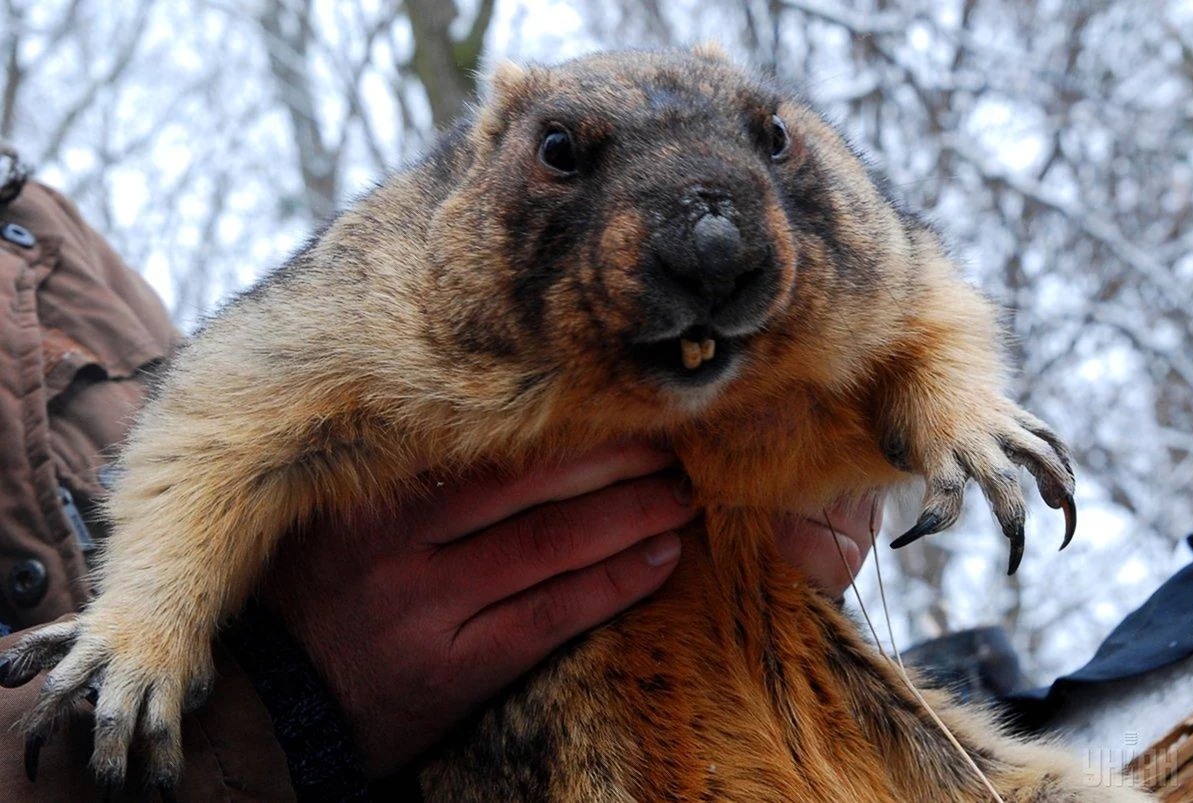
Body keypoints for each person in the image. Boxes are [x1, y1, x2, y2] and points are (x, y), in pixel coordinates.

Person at [0, 148, 878, 799]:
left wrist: (741, 573)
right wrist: (273, 695)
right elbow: (225, 414)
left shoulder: (37, 223)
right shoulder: (395, 269)